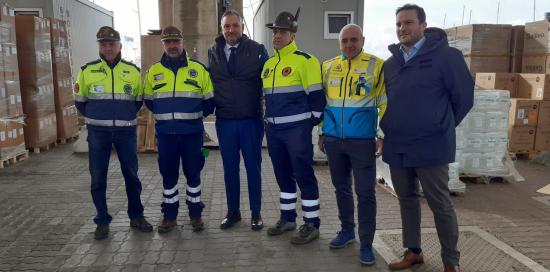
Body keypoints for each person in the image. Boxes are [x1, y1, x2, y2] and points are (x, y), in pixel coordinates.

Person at [380, 4, 473, 272]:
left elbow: (464, 98)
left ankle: (450, 262)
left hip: (431, 145)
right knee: (407, 200)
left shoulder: (447, 57)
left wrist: (441, 124)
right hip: (398, 145)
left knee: (440, 204)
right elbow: (384, 102)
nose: (402, 29)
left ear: (423, 25)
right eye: (398, 24)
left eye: (408, 23)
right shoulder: (391, 64)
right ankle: (413, 251)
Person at [74, 26, 153, 240]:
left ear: (119, 46)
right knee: (98, 178)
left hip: (125, 132)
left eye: (111, 44)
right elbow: (80, 102)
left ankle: (136, 216)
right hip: (98, 132)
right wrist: (98, 118)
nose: (107, 48)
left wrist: (123, 117)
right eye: (103, 44)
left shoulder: (133, 71)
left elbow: (138, 101)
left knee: (132, 176)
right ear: (99, 46)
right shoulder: (87, 70)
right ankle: (102, 220)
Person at [318, 23, 386, 265]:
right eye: (345, 40)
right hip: (334, 140)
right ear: (340, 43)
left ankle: (366, 243)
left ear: (363, 40)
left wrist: (381, 134)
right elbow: (323, 104)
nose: (349, 44)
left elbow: (384, 103)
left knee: (365, 192)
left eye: (354, 40)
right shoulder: (328, 67)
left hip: (362, 141)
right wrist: (321, 132)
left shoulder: (376, 66)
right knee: (341, 188)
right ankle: (347, 230)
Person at [262, 8, 326, 245]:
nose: (277, 35)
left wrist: (307, 124)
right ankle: (288, 218)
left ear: (292, 34)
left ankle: (311, 223)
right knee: (282, 175)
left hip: (296, 132)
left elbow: (317, 98)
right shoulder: (268, 65)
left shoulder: (305, 61)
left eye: (282, 31)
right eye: (275, 31)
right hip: (274, 132)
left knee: (303, 174)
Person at [143, 26, 215, 234]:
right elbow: (149, 100)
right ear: (163, 44)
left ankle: (195, 214)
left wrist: (194, 118)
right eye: (168, 42)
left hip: (192, 135)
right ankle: (169, 216)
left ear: (183, 43)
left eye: (176, 41)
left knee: (193, 175)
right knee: (168, 177)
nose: (172, 45)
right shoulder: (154, 71)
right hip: (166, 135)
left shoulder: (199, 70)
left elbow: (209, 101)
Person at [207, 10, 269, 231]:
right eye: (227, 27)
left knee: (253, 168)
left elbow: (269, 84)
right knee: (229, 169)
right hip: (225, 121)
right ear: (221, 28)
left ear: (242, 27)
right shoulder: (212, 51)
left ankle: (256, 213)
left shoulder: (258, 51)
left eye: (235, 26)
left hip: (251, 121)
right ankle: (233, 212)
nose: (231, 30)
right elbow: (209, 85)